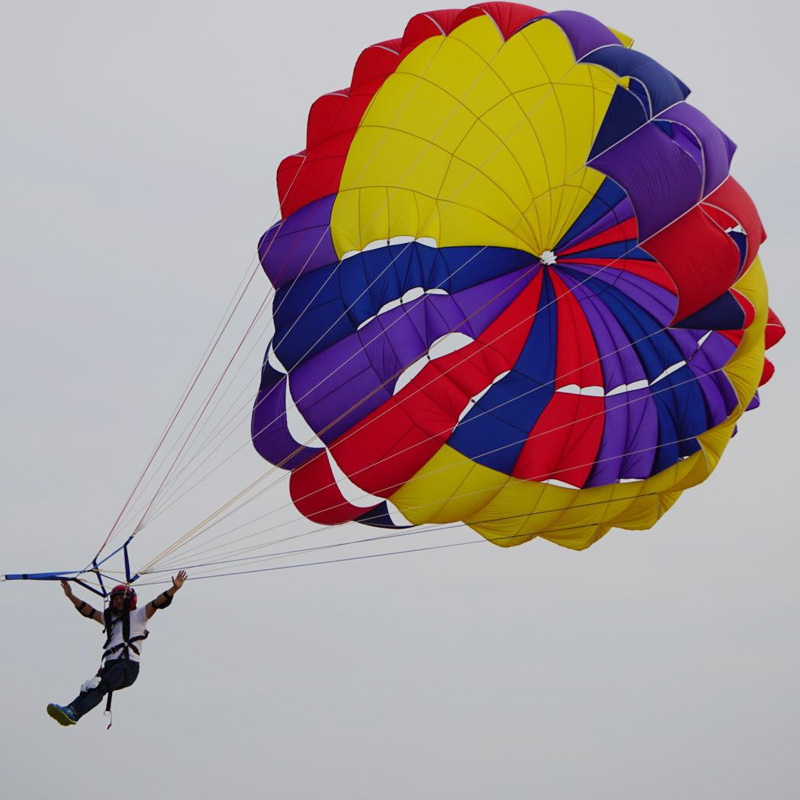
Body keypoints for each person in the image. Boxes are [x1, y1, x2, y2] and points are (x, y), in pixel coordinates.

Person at [46, 570, 187, 726]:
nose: (118, 602)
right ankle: (70, 710)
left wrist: (173, 589)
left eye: (121, 599)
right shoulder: (110, 620)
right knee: (88, 688)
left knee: (100, 687)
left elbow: (158, 602)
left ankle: (74, 713)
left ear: (129, 600)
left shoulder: (139, 615)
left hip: (127, 665)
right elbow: (89, 611)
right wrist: (70, 596)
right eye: (115, 599)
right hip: (111, 665)